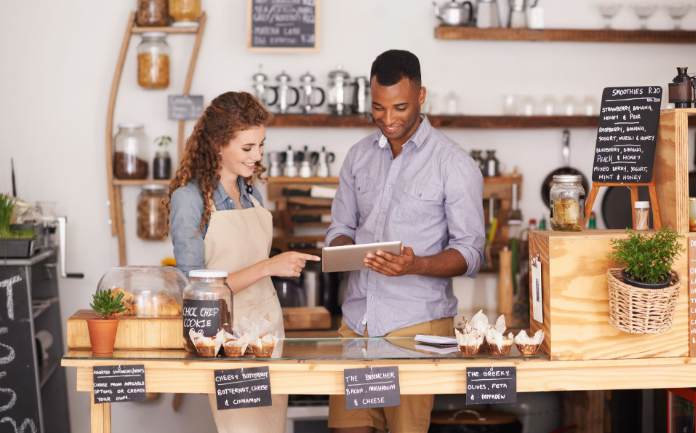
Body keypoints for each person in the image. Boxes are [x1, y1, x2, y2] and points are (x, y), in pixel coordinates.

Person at [325, 50, 485, 433]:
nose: (388, 119)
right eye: (378, 108)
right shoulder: (359, 156)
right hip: (356, 327)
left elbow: (471, 253)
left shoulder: (453, 164)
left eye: (399, 107)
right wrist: (346, 249)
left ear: (421, 96)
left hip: (416, 331)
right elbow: (339, 228)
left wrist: (417, 265)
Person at [168, 91, 319, 433]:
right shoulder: (190, 199)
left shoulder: (252, 194)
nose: (258, 156)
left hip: (268, 333)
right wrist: (269, 266)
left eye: (261, 146)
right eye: (248, 148)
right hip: (227, 340)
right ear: (219, 145)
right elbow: (195, 293)